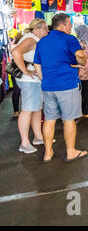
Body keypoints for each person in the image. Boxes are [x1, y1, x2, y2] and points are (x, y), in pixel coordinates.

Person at [34, 13, 88, 163]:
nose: (71, 27)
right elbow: (80, 54)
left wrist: (43, 79)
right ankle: (71, 152)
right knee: (69, 119)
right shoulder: (69, 39)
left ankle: (48, 153)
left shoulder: (42, 41)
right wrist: (82, 61)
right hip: (66, 85)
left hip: (48, 86)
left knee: (49, 119)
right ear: (63, 25)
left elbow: (37, 64)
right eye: (70, 24)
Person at [11, 19, 48, 154]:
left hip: (33, 80)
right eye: (45, 28)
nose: (47, 31)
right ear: (37, 29)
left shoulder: (33, 39)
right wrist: (26, 71)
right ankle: (24, 143)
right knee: (28, 109)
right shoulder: (31, 39)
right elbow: (15, 52)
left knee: (36, 109)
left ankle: (38, 137)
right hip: (29, 80)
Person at [75, 25, 88, 118]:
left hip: (82, 69)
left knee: (80, 91)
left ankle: (82, 110)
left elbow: (80, 57)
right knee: (86, 90)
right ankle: (86, 111)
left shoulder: (82, 44)